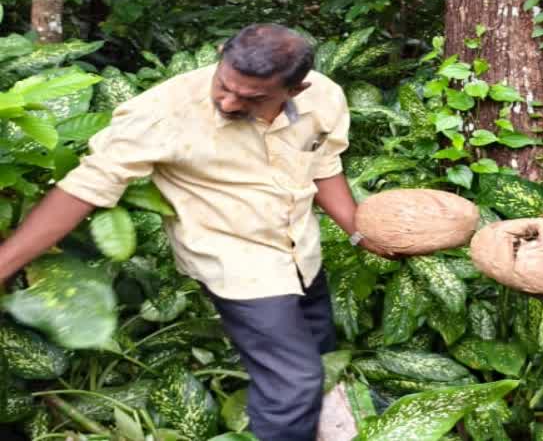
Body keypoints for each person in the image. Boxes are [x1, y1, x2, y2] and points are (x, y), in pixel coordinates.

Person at [0, 24, 391, 441]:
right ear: (221, 54)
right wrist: (6, 263)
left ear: (294, 90)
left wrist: (358, 231)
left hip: (301, 253)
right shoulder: (164, 113)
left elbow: (324, 166)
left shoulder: (324, 98)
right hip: (236, 264)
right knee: (293, 384)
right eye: (224, 85)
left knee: (318, 352)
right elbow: (84, 188)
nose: (227, 100)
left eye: (251, 98)